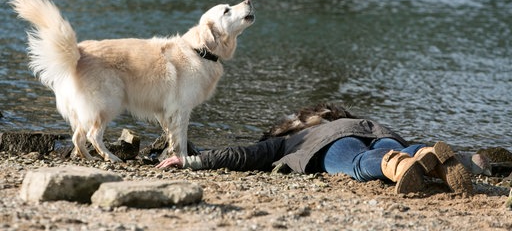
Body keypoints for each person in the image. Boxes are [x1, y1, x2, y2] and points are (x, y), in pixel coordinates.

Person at [157, 102, 473, 194]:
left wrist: (191, 161)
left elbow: (242, 156)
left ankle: (400, 166)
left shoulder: (286, 141)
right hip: (378, 132)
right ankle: (427, 155)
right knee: (400, 146)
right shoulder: (356, 119)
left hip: (331, 146)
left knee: (361, 163)